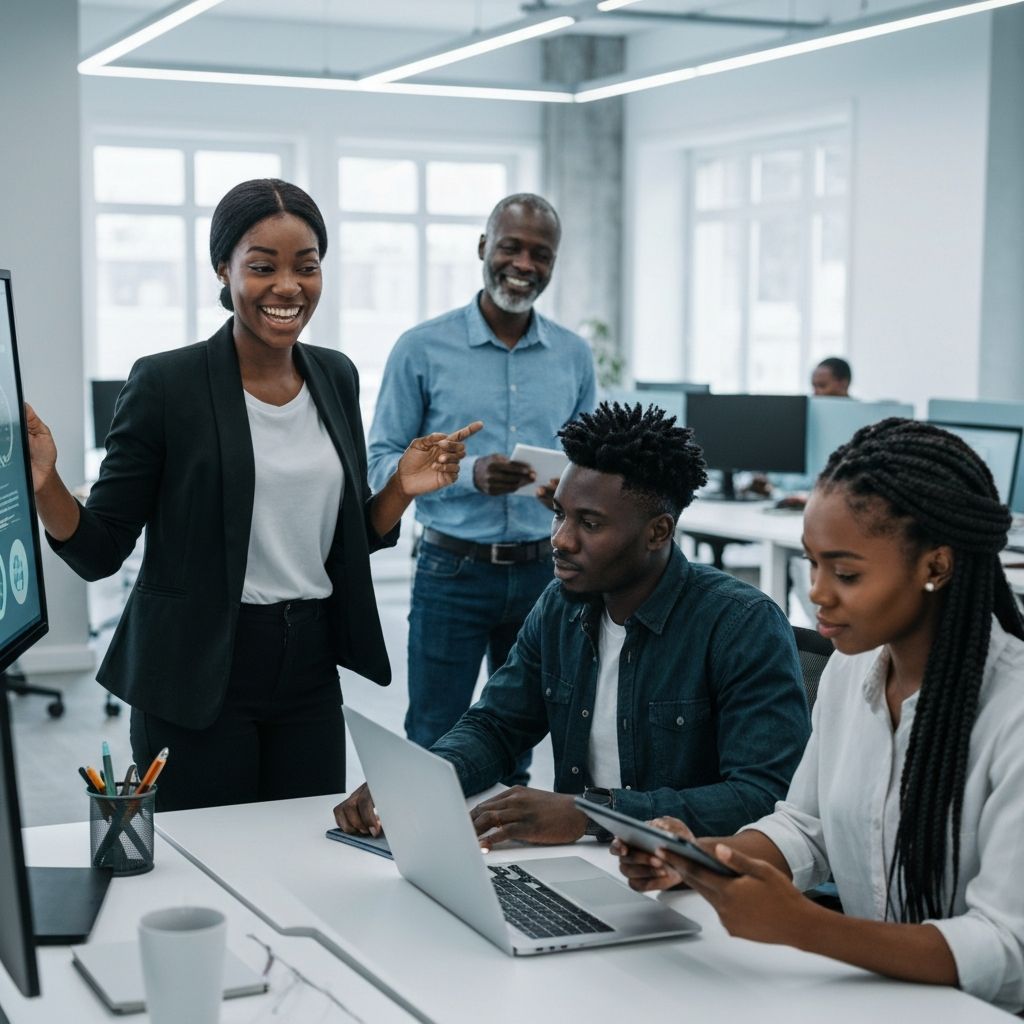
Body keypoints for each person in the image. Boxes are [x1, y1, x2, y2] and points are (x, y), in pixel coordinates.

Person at [27, 178, 480, 812]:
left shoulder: (336, 374)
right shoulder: (166, 383)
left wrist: (401, 488)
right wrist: (45, 482)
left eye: (307, 267)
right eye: (263, 267)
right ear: (224, 269)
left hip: (308, 665)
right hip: (199, 663)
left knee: (302, 851)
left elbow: (351, 537)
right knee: (206, 863)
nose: (288, 287)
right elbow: (101, 548)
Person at [614, 418, 1024, 1013]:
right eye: (812, 565)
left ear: (935, 567)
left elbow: (1009, 954)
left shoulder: (1010, 712)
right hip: (872, 1001)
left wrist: (804, 927)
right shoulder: (853, 669)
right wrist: (702, 859)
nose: (817, 594)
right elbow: (805, 827)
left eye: (846, 573)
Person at [336, 402, 810, 845]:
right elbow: (497, 726)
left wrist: (594, 814)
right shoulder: (560, 607)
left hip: (693, 879)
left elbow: (764, 796)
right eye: (560, 514)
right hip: (582, 863)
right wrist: (417, 779)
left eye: (590, 524)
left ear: (658, 532)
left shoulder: (741, 625)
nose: (560, 540)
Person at [366, 193, 595, 786]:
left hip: (545, 574)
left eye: (540, 254)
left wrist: (569, 489)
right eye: (511, 247)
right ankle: (421, 863)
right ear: (483, 249)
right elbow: (379, 461)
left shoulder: (573, 355)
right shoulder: (422, 347)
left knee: (517, 740)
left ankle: (501, 870)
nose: (524, 263)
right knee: (434, 737)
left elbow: (591, 463)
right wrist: (468, 474)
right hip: (452, 571)